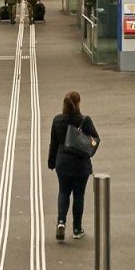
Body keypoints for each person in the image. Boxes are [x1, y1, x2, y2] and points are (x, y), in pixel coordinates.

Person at [47, 89, 98, 241]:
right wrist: (89, 149)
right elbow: (96, 139)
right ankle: (77, 228)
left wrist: (51, 162)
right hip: (81, 164)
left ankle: (61, 222)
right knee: (78, 195)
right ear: (78, 103)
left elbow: (53, 144)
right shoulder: (85, 120)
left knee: (63, 192)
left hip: (62, 163)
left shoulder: (57, 120)